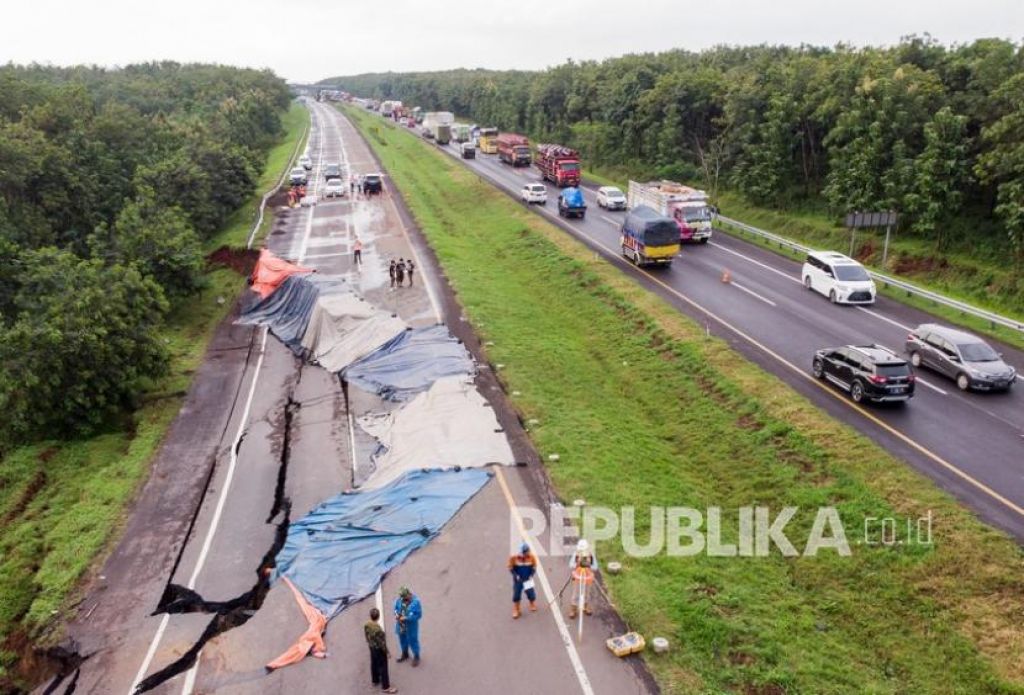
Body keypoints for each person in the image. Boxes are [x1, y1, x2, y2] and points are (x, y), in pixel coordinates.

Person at [364, 608, 397, 692]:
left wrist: (369, 642)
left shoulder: (367, 624)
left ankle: (375, 680)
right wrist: (387, 652)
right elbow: (382, 643)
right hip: (379, 649)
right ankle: (386, 687)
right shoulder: (378, 630)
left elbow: (366, 635)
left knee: (374, 663)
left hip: (371, 647)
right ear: (378, 617)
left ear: (370, 616)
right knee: (383, 667)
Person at [567, 539, 598, 619]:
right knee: (576, 593)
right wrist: (578, 562)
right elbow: (571, 565)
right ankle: (573, 609)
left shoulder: (591, 555)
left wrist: (589, 563)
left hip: (588, 578)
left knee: (587, 593)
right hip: (578, 577)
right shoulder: (576, 554)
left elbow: (595, 567)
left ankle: (585, 606)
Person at [508, 542, 538, 619]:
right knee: (516, 594)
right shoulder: (514, 557)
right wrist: (515, 575)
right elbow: (510, 567)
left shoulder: (531, 557)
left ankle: (532, 603)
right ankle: (516, 609)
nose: (525, 554)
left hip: (527, 579)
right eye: (524, 553)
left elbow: (534, 567)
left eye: (526, 552)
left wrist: (531, 575)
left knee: (530, 593)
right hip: (518, 580)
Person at [393, 587, 422, 666]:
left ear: (408, 594)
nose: (402, 599)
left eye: (404, 597)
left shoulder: (416, 602)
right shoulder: (399, 600)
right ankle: (405, 653)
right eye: (401, 597)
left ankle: (416, 656)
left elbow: (418, 615)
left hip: (411, 625)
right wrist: (396, 615)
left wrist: (407, 618)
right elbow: (395, 609)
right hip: (401, 624)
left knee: (413, 640)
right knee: (402, 639)